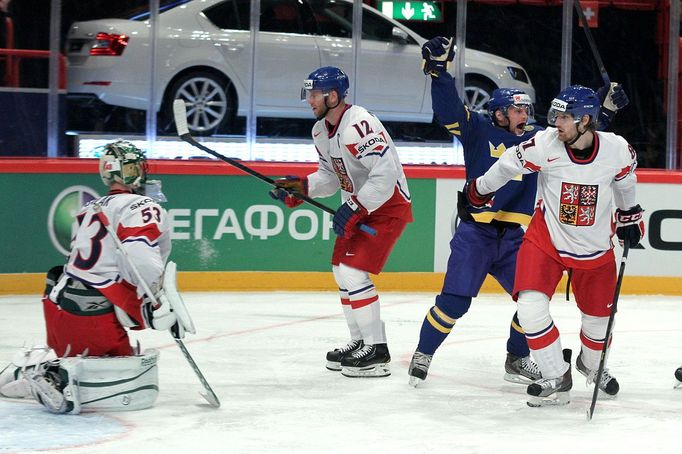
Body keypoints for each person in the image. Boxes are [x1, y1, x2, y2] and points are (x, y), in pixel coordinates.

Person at [408, 37, 628, 387]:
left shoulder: (545, 139)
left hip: (515, 239)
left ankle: (518, 358)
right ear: (498, 112)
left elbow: (581, 139)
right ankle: (424, 353)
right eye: (517, 109)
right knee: (453, 302)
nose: (525, 115)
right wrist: (439, 73)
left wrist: (605, 108)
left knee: (531, 301)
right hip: (475, 234)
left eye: (527, 109)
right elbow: (449, 110)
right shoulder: (478, 130)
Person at [465, 85, 645, 406]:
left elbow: (625, 179)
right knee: (530, 308)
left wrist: (629, 213)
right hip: (546, 240)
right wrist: (479, 189)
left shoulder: (616, 149)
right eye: (556, 115)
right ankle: (554, 373)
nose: (555, 123)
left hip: (595, 247)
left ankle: (590, 366)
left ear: (585, 121)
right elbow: (507, 165)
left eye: (564, 117)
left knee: (599, 322)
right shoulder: (545, 144)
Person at [0, 140, 193, 413]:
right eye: (136, 165)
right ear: (130, 171)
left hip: (60, 310)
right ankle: (54, 377)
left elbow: (98, 269)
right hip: (95, 318)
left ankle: (31, 369)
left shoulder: (88, 208)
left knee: (102, 364)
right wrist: (155, 303)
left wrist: (148, 307)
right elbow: (140, 260)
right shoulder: (142, 205)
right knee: (131, 382)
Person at [269, 66, 413, 378]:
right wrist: (303, 187)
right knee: (340, 271)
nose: (309, 100)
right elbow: (330, 178)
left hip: (387, 207)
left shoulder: (358, 125)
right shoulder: (321, 131)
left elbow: (385, 176)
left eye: (314, 94)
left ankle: (377, 349)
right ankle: (360, 341)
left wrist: (358, 205)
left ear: (333, 96)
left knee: (352, 271)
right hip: (360, 206)